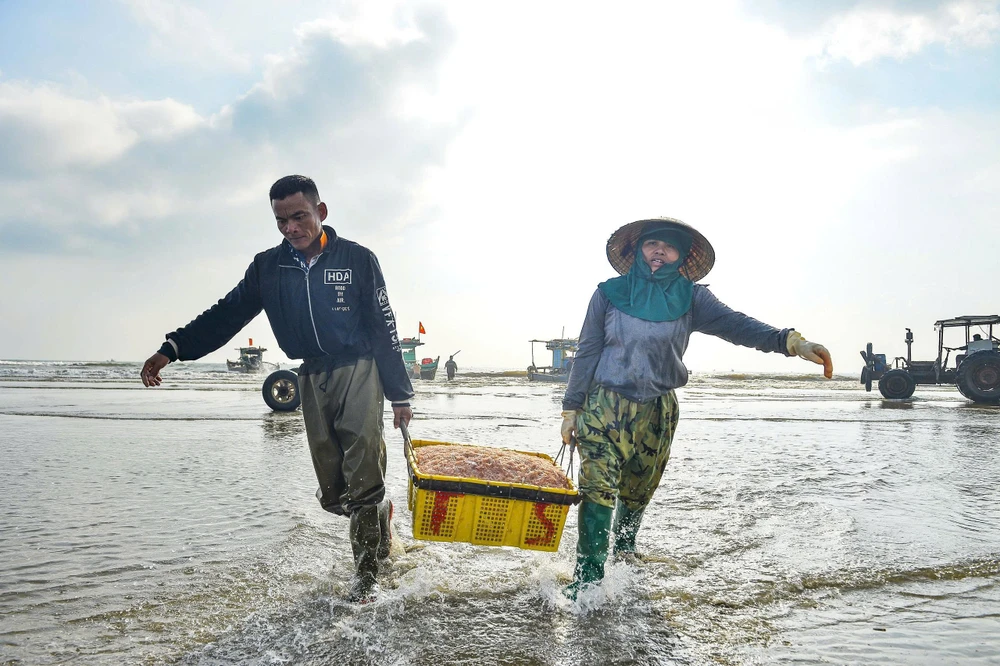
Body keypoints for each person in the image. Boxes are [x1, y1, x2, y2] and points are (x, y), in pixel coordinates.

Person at [139, 175, 414, 603]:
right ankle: (380, 514)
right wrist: (172, 349)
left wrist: (399, 393)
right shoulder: (268, 267)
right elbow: (227, 314)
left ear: (320, 213)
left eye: (299, 216)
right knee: (334, 494)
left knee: (363, 479)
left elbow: (385, 326)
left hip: (360, 368)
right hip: (310, 375)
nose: (291, 228)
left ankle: (366, 582)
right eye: (281, 220)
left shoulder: (357, 259)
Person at [559, 217, 833, 599]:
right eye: (652, 243)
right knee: (597, 489)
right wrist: (571, 408)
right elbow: (587, 350)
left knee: (638, 492)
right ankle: (587, 582)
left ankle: (624, 553)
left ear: (681, 257)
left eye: (669, 246)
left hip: (658, 411)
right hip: (605, 405)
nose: (659, 251)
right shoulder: (608, 293)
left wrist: (790, 341)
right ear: (637, 250)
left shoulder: (693, 298)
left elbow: (738, 326)